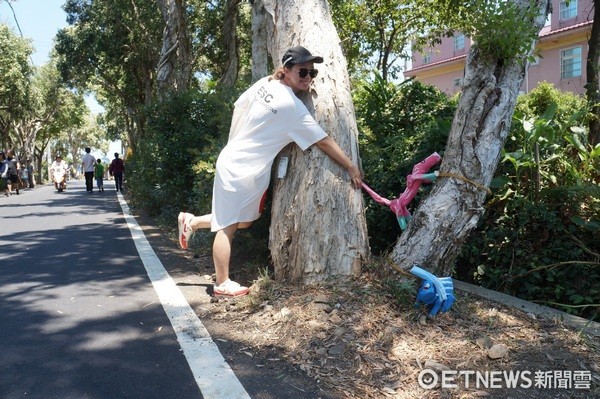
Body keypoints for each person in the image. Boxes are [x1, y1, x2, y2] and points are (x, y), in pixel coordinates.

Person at [177, 46, 362, 297]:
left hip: (243, 164)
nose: (308, 77)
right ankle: (222, 283)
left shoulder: (266, 83)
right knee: (229, 226)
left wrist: (238, 142)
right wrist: (351, 166)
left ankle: (193, 221)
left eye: (312, 72)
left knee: (245, 221)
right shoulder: (293, 108)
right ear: (286, 71)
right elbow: (324, 140)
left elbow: (239, 106)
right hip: (240, 167)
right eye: (302, 72)